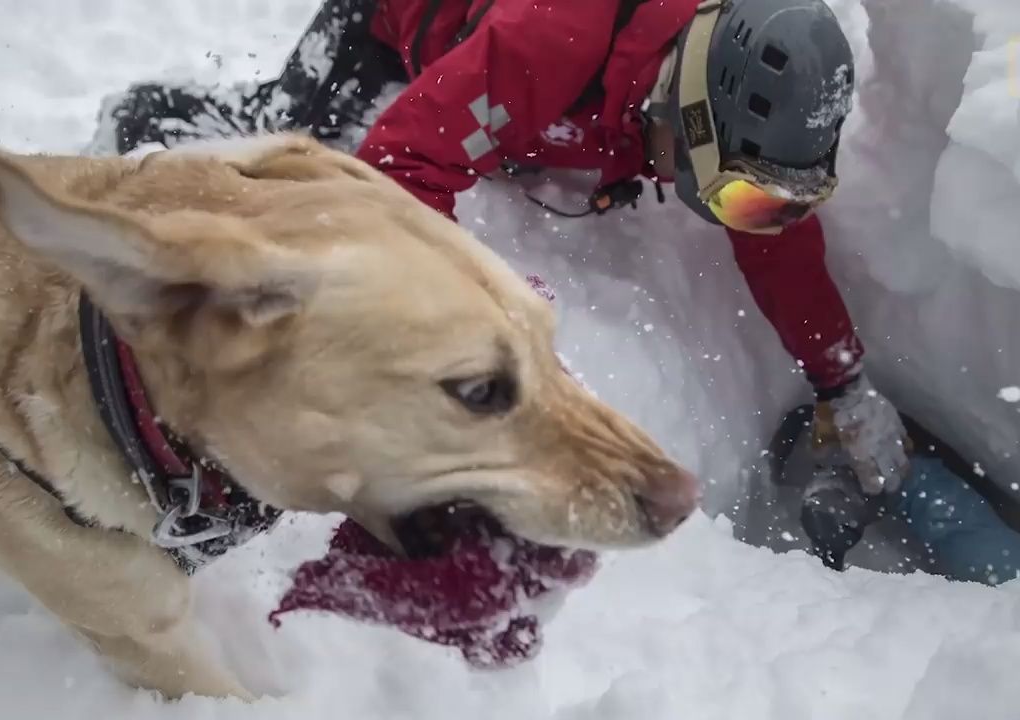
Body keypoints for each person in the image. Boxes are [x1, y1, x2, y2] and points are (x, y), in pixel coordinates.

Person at [96, 0, 943, 570]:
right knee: (294, 168)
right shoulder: (552, 41)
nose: (743, 216)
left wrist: (844, 377)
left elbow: (780, 249)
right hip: (395, 32)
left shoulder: (720, 99)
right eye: (737, 197)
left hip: (558, 100)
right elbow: (397, 164)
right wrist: (480, 316)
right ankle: (153, 120)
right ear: (686, 110)